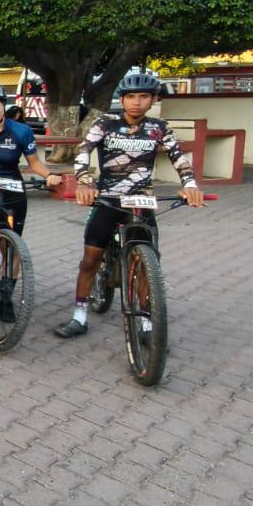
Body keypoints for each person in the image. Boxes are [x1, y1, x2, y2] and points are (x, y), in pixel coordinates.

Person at [51, 72, 203, 339]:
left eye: (144, 97)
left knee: (147, 264)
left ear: (153, 100)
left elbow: (178, 158)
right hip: (108, 198)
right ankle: (79, 315)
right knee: (90, 260)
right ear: (121, 100)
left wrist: (190, 185)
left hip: (141, 200)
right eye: (131, 96)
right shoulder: (105, 123)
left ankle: (145, 322)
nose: (136, 102)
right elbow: (83, 151)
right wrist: (85, 183)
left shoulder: (159, 127)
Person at [0, 84, 63, 321]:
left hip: (13, 191)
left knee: (11, 245)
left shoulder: (21, 130)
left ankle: (6, 297)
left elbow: (34, 163)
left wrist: (49, 175)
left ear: (3, 105)